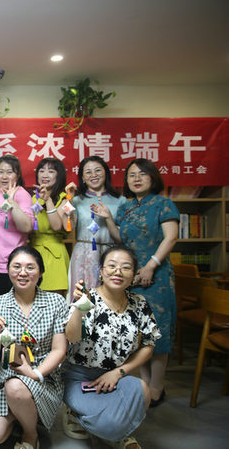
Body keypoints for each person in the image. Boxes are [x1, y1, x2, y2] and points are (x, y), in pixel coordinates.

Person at [95, 158, 179, 406]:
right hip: (131, 275)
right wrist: (108, 218)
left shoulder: (164, 204)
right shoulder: (126, 207)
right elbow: (121, 239)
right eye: (132, 175)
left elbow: (171, 238)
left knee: (158, 333)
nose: (137, 179)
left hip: (157, 276)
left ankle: (157, 388)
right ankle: (145, 383)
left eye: (142, 174)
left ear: (153, 177)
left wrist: (151, 265)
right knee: (139, 332)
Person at [63, 245, 160, 448]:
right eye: (112, 266)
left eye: (126, 267)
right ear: (101, 271)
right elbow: (71, 337)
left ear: (133, 274)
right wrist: (80, 307)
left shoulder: (139, 303)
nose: (118, 272)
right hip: (80, 379)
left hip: (116, 377)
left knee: (143, 391)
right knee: (109, 422)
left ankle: (112, 429)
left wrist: (118, 372)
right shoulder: (88, 298)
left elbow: (149, 345)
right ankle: (79, 415)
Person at [0, 246, 68, 449]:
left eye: (30, 267)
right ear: (8, 270)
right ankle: (20, 415)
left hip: (44, 377)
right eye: (16, 267)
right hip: (6, 377)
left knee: (16, 388)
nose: (22, 273)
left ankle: (30, 433)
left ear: (40, 272)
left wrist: (35, 374)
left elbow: (59, 350)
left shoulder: (56, 302)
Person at [66, 156, 126, 301]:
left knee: (110, 298)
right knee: (82, 299)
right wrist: (68, 200)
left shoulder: (120, 200)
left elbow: (123, 236)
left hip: (110, 253)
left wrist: (108, 217)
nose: (93, 175)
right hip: (83, 254)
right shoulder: (77, 200)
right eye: (88, 172)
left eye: (98, 170)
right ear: (82, 177)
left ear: (106, 173)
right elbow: (69, 227)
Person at [0, 155, 34, 300]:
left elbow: (26, 227)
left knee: (15, 305)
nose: (4, 176)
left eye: (9, 172)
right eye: (0, 172)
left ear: (17, 175)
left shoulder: (22, 195)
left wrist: (12, 203)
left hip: (14, 264)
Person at [29, 157, 69, 295]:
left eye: (51, 171)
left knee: (53, 300)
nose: (45, 175)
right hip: (33, 253)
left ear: (58, 176)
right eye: (41, 171)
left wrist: (48, 200)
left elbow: (57, 226)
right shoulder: (33, 198)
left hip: (54, 255)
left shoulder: (66, 199)